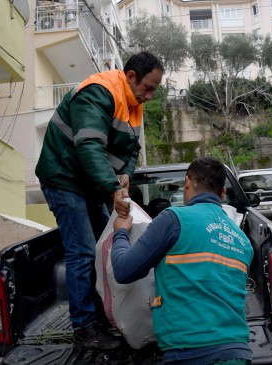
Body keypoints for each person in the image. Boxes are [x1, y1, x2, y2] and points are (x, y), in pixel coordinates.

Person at [35, 51, 164, 350]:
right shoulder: (99, 91)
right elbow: (90, 145)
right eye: (148, 87)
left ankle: (102, 316)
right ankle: (83, 329)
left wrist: (126, 176)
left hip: (88, 184)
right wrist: (113, 189)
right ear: (131, 76)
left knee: (99, 250)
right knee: (81, 251)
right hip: (63, 178)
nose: (151, 96)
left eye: (154, 90)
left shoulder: (133, 103)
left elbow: (131, 149)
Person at [111, 157, 254, 364]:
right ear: (222, 193)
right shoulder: (242, 240)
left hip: (191, 353)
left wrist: (121, 232)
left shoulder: (174, 220)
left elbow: (124, 270)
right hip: (238, 352)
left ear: (187, 182)